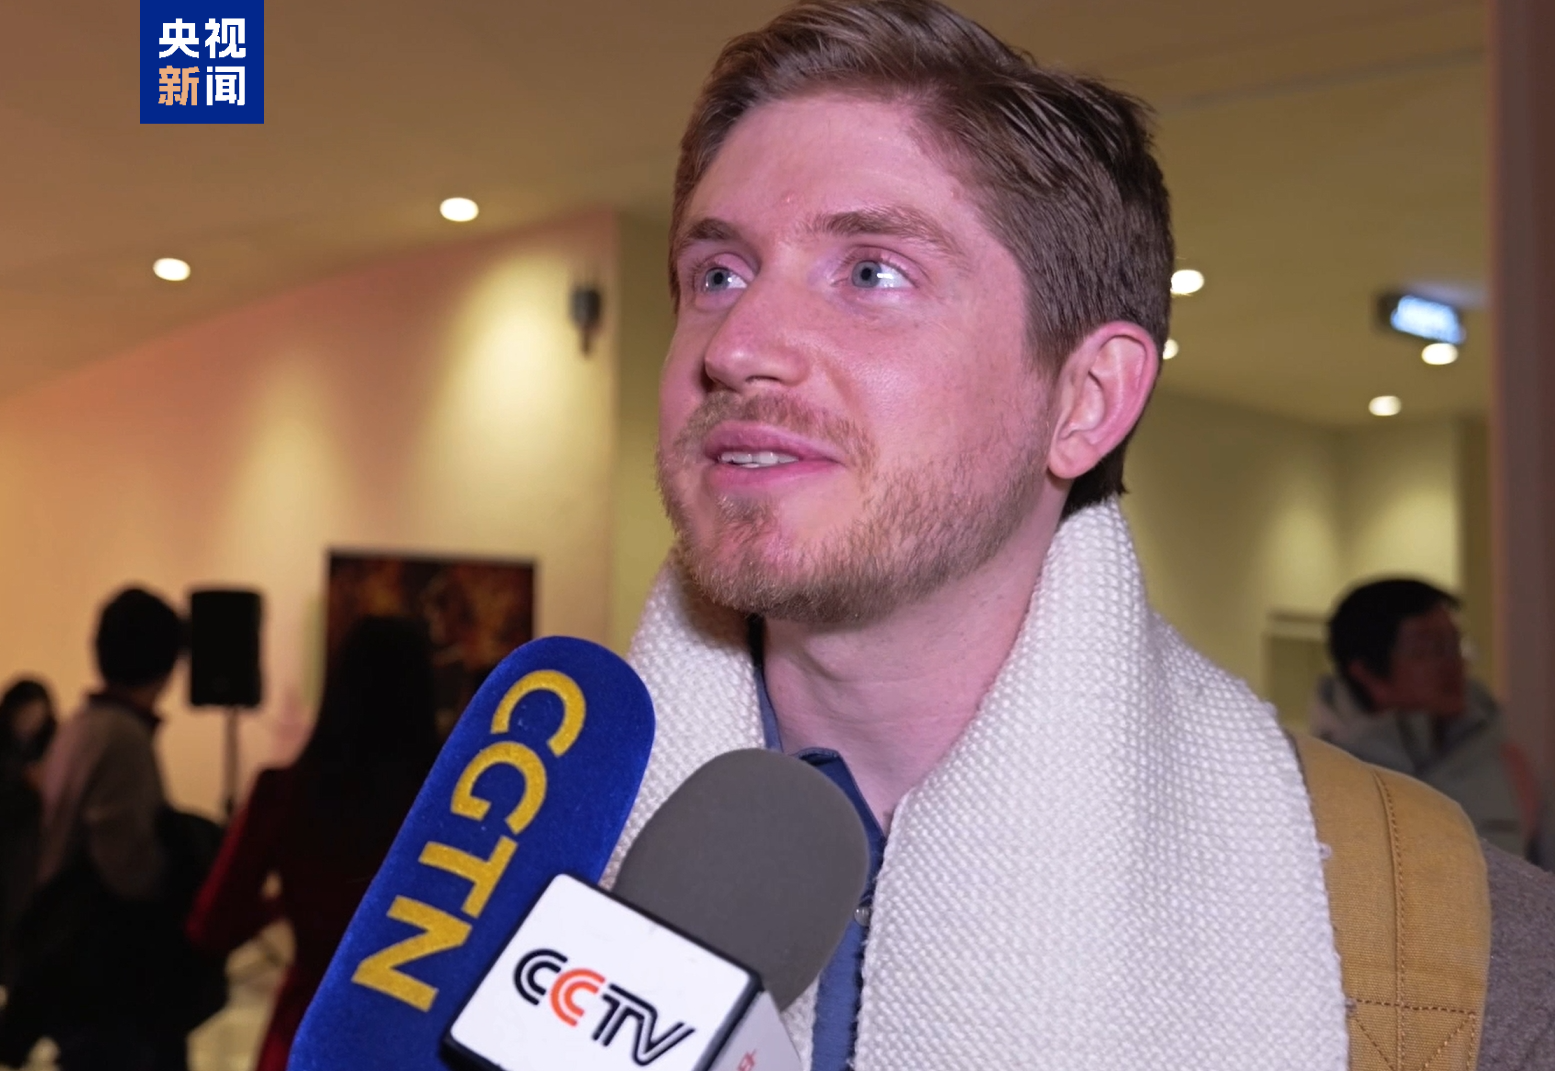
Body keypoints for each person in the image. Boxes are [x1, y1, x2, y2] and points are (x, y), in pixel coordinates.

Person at [606, 2, 1555, 1068]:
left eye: (872, 272)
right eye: (718, 275)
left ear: (1087, 399)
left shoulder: (1442, 961)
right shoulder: (510, 866)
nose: (737, 345)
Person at [186, 616, 441, 1071]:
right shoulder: (449, 807)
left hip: (307, 1026)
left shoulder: (283, 793)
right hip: (419, 1035)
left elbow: (213, 924)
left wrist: (281, 905)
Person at [0, 587, 222, 1071]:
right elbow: (128, 868)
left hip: (70, 958)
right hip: (108, 975)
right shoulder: (121, 736)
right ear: (167, 663)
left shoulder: (79, 726)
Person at [1312, 579, 1549, 862]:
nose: (1453, 664)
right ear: (1366, 672)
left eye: (1455, 645)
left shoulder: (1507, 764)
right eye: (1428, 649)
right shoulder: (1324, 775)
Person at [0, 678, 56, 987]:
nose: (30, 722)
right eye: (25, 714)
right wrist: (27, 786)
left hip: (37, 849)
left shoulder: (53, 745)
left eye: (36, 715)